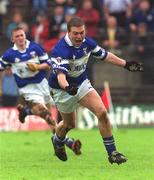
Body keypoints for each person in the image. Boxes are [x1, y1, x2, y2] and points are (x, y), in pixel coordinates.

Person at [46, 17, 143, 164]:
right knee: (69, 124)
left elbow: (105, 56)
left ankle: (113, 153)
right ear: (68, 32)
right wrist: (67, 87)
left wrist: (126, 64)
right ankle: (57, 141)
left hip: (82, 83)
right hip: (62, 89)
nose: (79, 36)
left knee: (102, 112)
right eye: (75, 34)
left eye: (82, 33)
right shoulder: (61, 50)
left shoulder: (88, 43)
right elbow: (61, 77)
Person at [0, 27, 81, 156]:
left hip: (42, 85)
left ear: (25, 35)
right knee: (46, 114)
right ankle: (68, 142)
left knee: (50, 119)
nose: (20, 38)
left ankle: (26, 111)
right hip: (27, 89)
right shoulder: (9, 55)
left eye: (22, 35)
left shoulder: (35, 48)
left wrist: (37, 67)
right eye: (17, 36)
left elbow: (48, 64)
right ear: (12, 39)